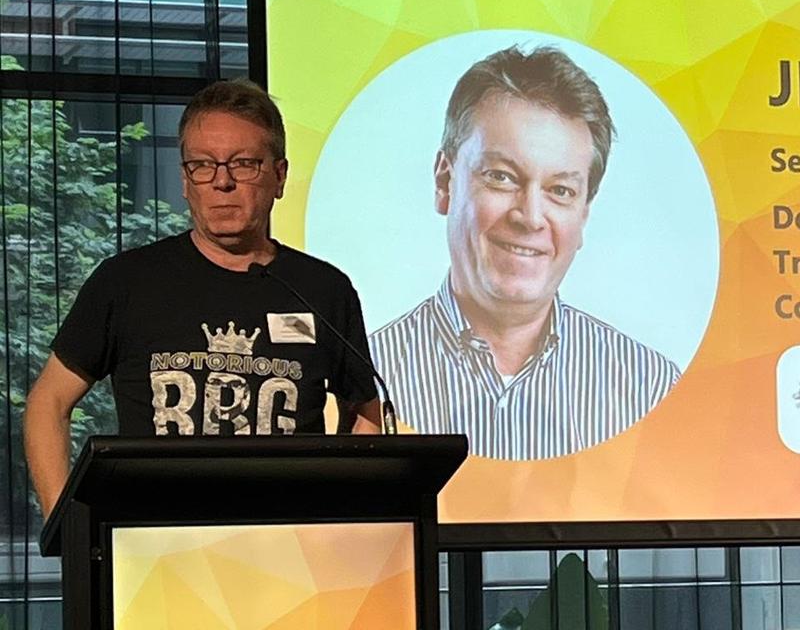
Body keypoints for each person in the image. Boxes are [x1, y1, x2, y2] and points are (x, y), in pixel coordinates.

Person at [24, 79, 381, 518]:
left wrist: (348, 517)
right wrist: (67, 529)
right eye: (203, 165)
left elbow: (365, 410)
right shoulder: (127, 282)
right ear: (185, 180)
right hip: (157, 552)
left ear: (280, 176)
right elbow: (49, 403)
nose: (222, 182)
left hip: (290, 554)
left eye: (244, 164)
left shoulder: (324, 289)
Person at [368, 46, 679, 460]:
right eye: (501, 177)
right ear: (445, 181)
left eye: (560, 191)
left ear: (584, 213)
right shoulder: (367, 377)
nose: (531, 217)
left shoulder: (647, 385)